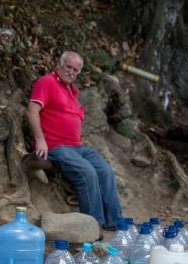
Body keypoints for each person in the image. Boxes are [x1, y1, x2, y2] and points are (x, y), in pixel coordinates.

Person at [26, 51, 123, 230]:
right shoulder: (46, 82)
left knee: (105, 170)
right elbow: (32, 110)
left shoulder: (71, 90)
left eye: (76, 70)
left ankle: (115, 222)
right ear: (59, 65)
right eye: (68, 67)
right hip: (56, 146)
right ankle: (93, 226)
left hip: (77, 147)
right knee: (87, 172)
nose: (71, 72)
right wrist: (40, 140)